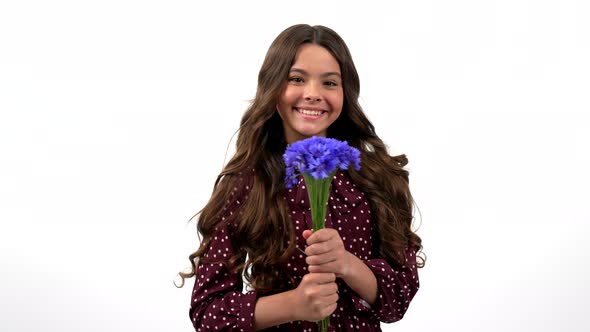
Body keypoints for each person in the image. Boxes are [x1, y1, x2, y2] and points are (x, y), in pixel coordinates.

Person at [178, 24, 425, 331]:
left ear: (346, 93)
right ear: (273, 87)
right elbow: (207, 314)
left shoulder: (374, 177)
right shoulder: (247, 183)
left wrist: (347, 264)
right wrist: (294, 304)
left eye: (330, 83)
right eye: (296, 79)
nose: (313, 94)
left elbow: (397, 301)